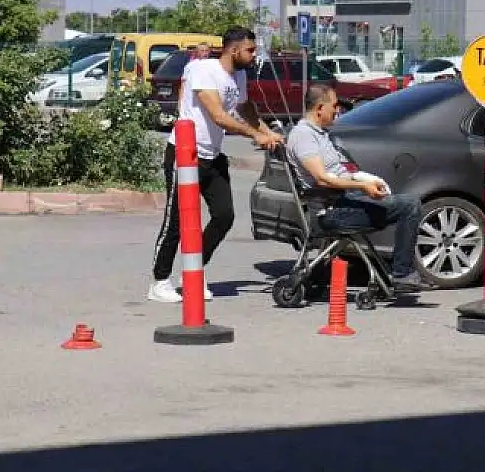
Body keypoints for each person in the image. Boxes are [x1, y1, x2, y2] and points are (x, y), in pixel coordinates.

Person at [148, 26, 284, 303]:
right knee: (175, 222)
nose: (254, 54)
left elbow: (245, 108)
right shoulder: (204, 70)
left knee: (224, 216)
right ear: (233, 49)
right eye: (250, 49)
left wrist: (267, 132)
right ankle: (160, 281)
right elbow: (218, 115)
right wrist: (255, 134)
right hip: (186, 155)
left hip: (213, 156)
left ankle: (193, 271)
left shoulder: (240, 75)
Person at [286, 83, 434, 292]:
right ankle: (403, 273)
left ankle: (400, 272)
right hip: (332, 213)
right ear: (320, 108)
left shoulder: (320, 134)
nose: (338, 110)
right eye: (334, 105)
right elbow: (322, 179)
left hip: (343, 201)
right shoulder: (304, 136)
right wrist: (362, 186)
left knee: (406, 202)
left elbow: (340, 170)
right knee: (410, 205)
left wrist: (368, 179)